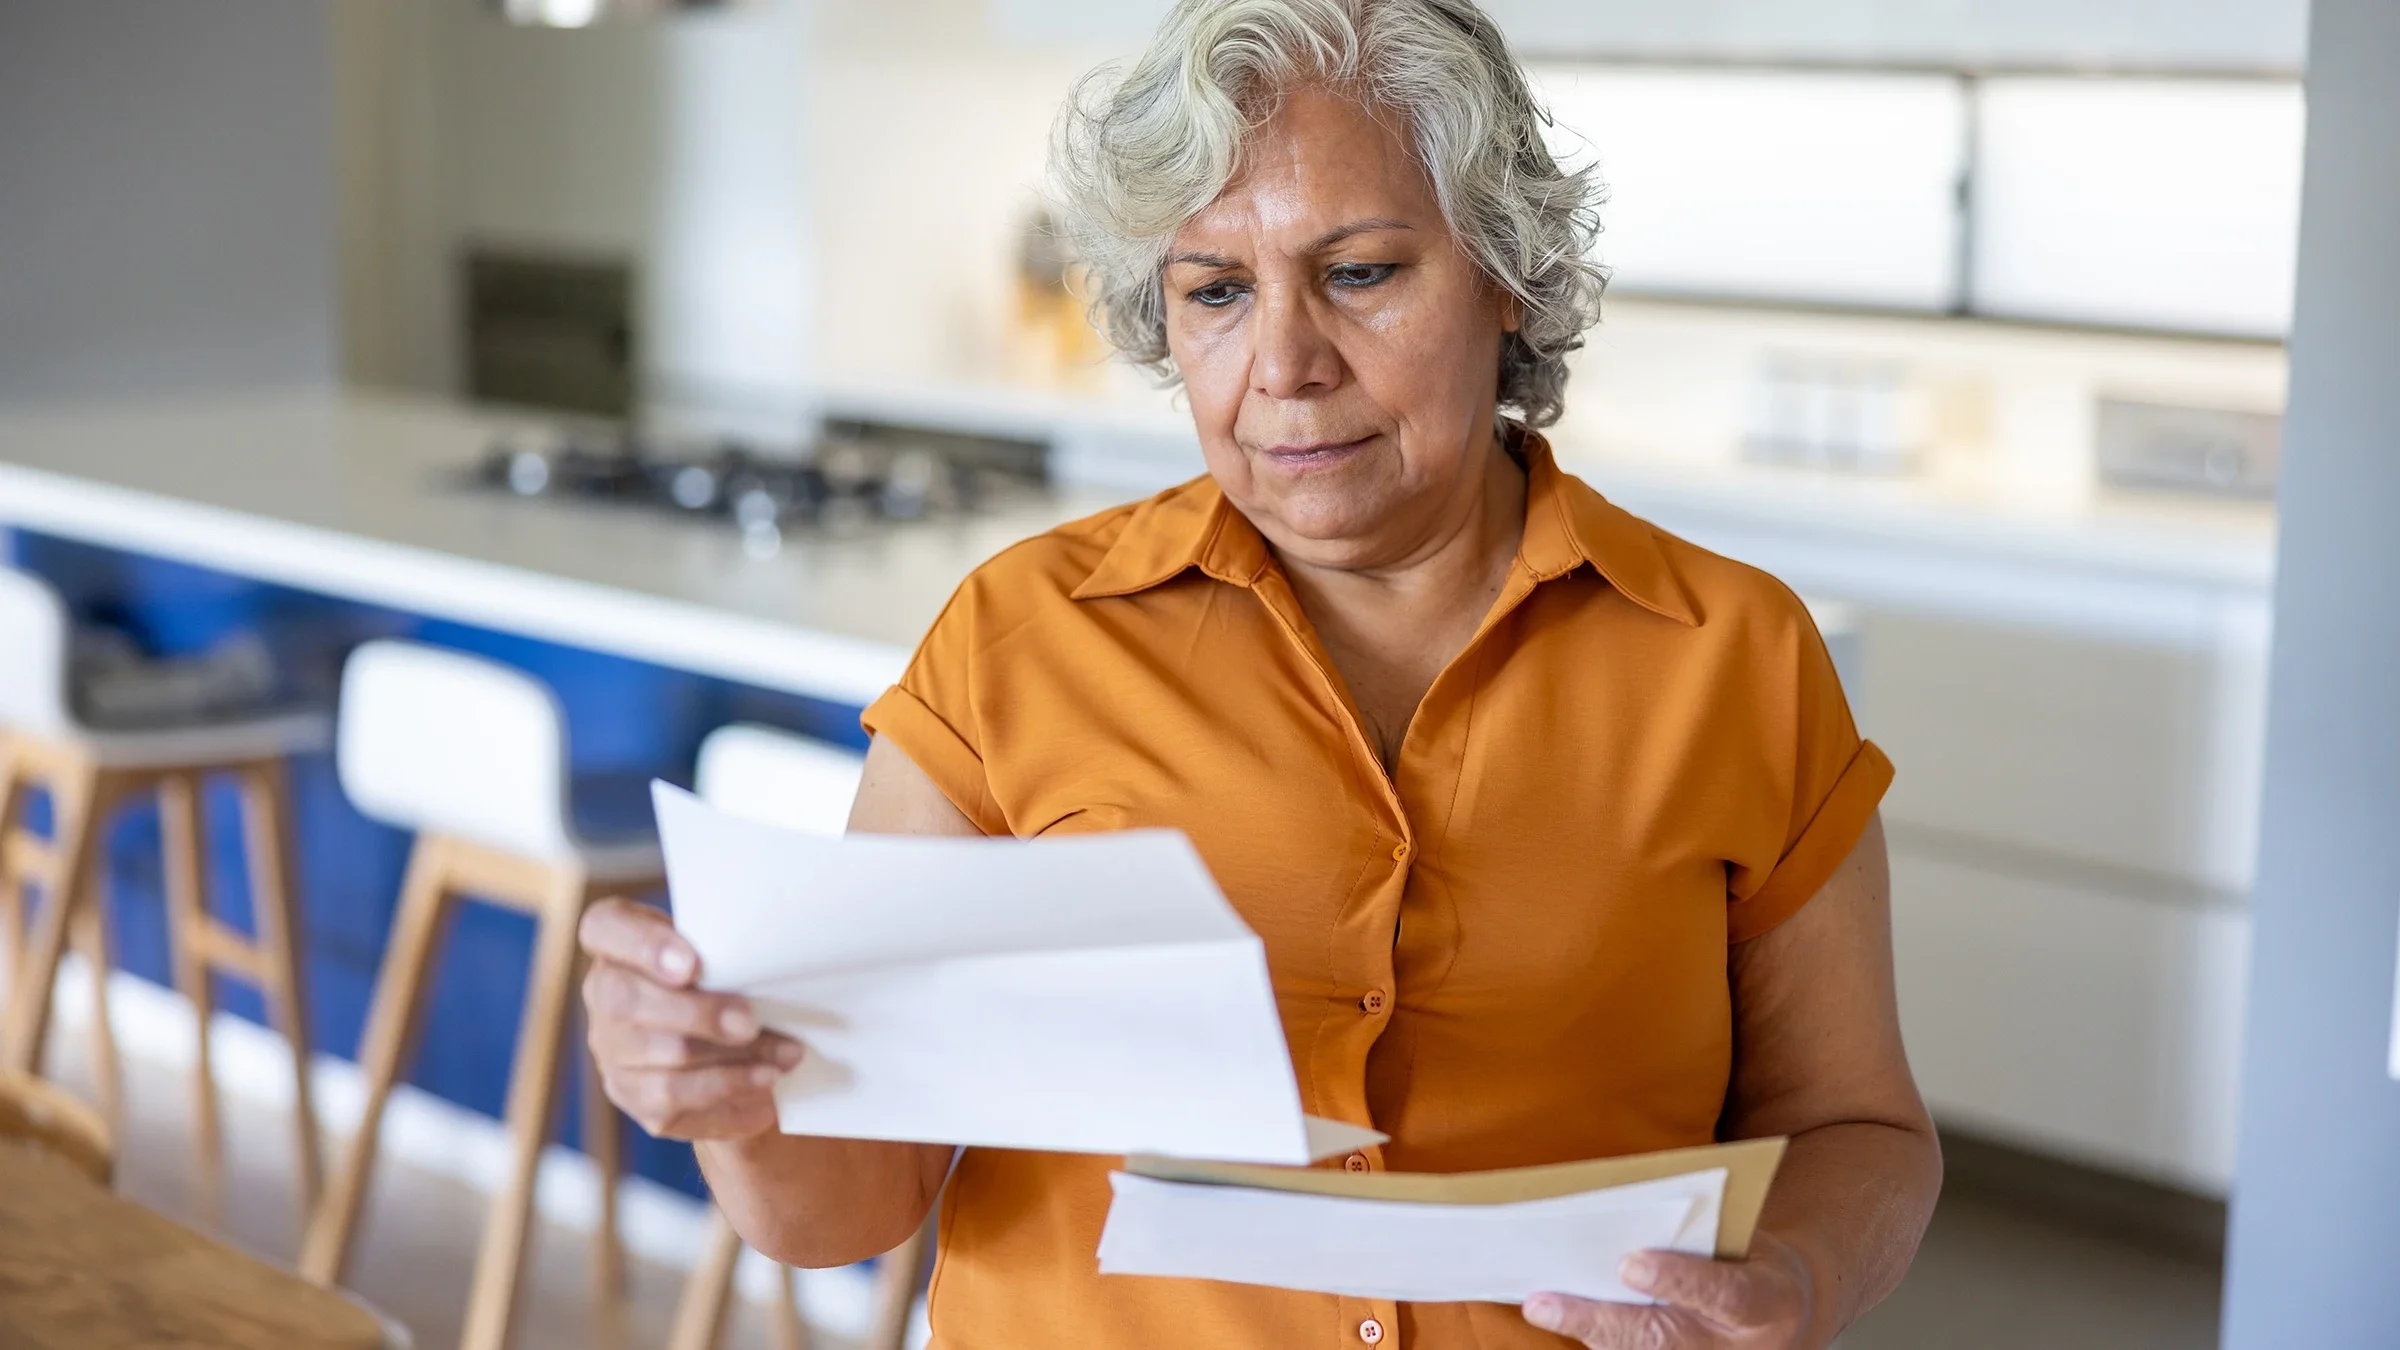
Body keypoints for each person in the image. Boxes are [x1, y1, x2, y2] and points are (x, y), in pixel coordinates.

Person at [578, 1, 1941, 1345]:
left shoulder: (1736, 656)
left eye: (1359, 273)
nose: (1283, 365)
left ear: (1503, 275)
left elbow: (1859, 1130)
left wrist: (1801, 1277)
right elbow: (843, 1209)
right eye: (1216, 291)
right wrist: (729, 1099)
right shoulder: (1019, 641)